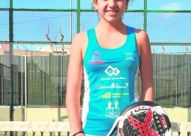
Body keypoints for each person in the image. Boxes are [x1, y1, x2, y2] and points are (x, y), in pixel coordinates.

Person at [66, 0, 155, 135]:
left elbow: (148, 85)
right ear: (95, 3)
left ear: (126, 3)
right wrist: (76, 132)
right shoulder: (81, 40)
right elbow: (72, 91)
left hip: (130, 131)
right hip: (92, 131)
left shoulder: (139, 37)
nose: (112, 4)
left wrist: (144, 125)